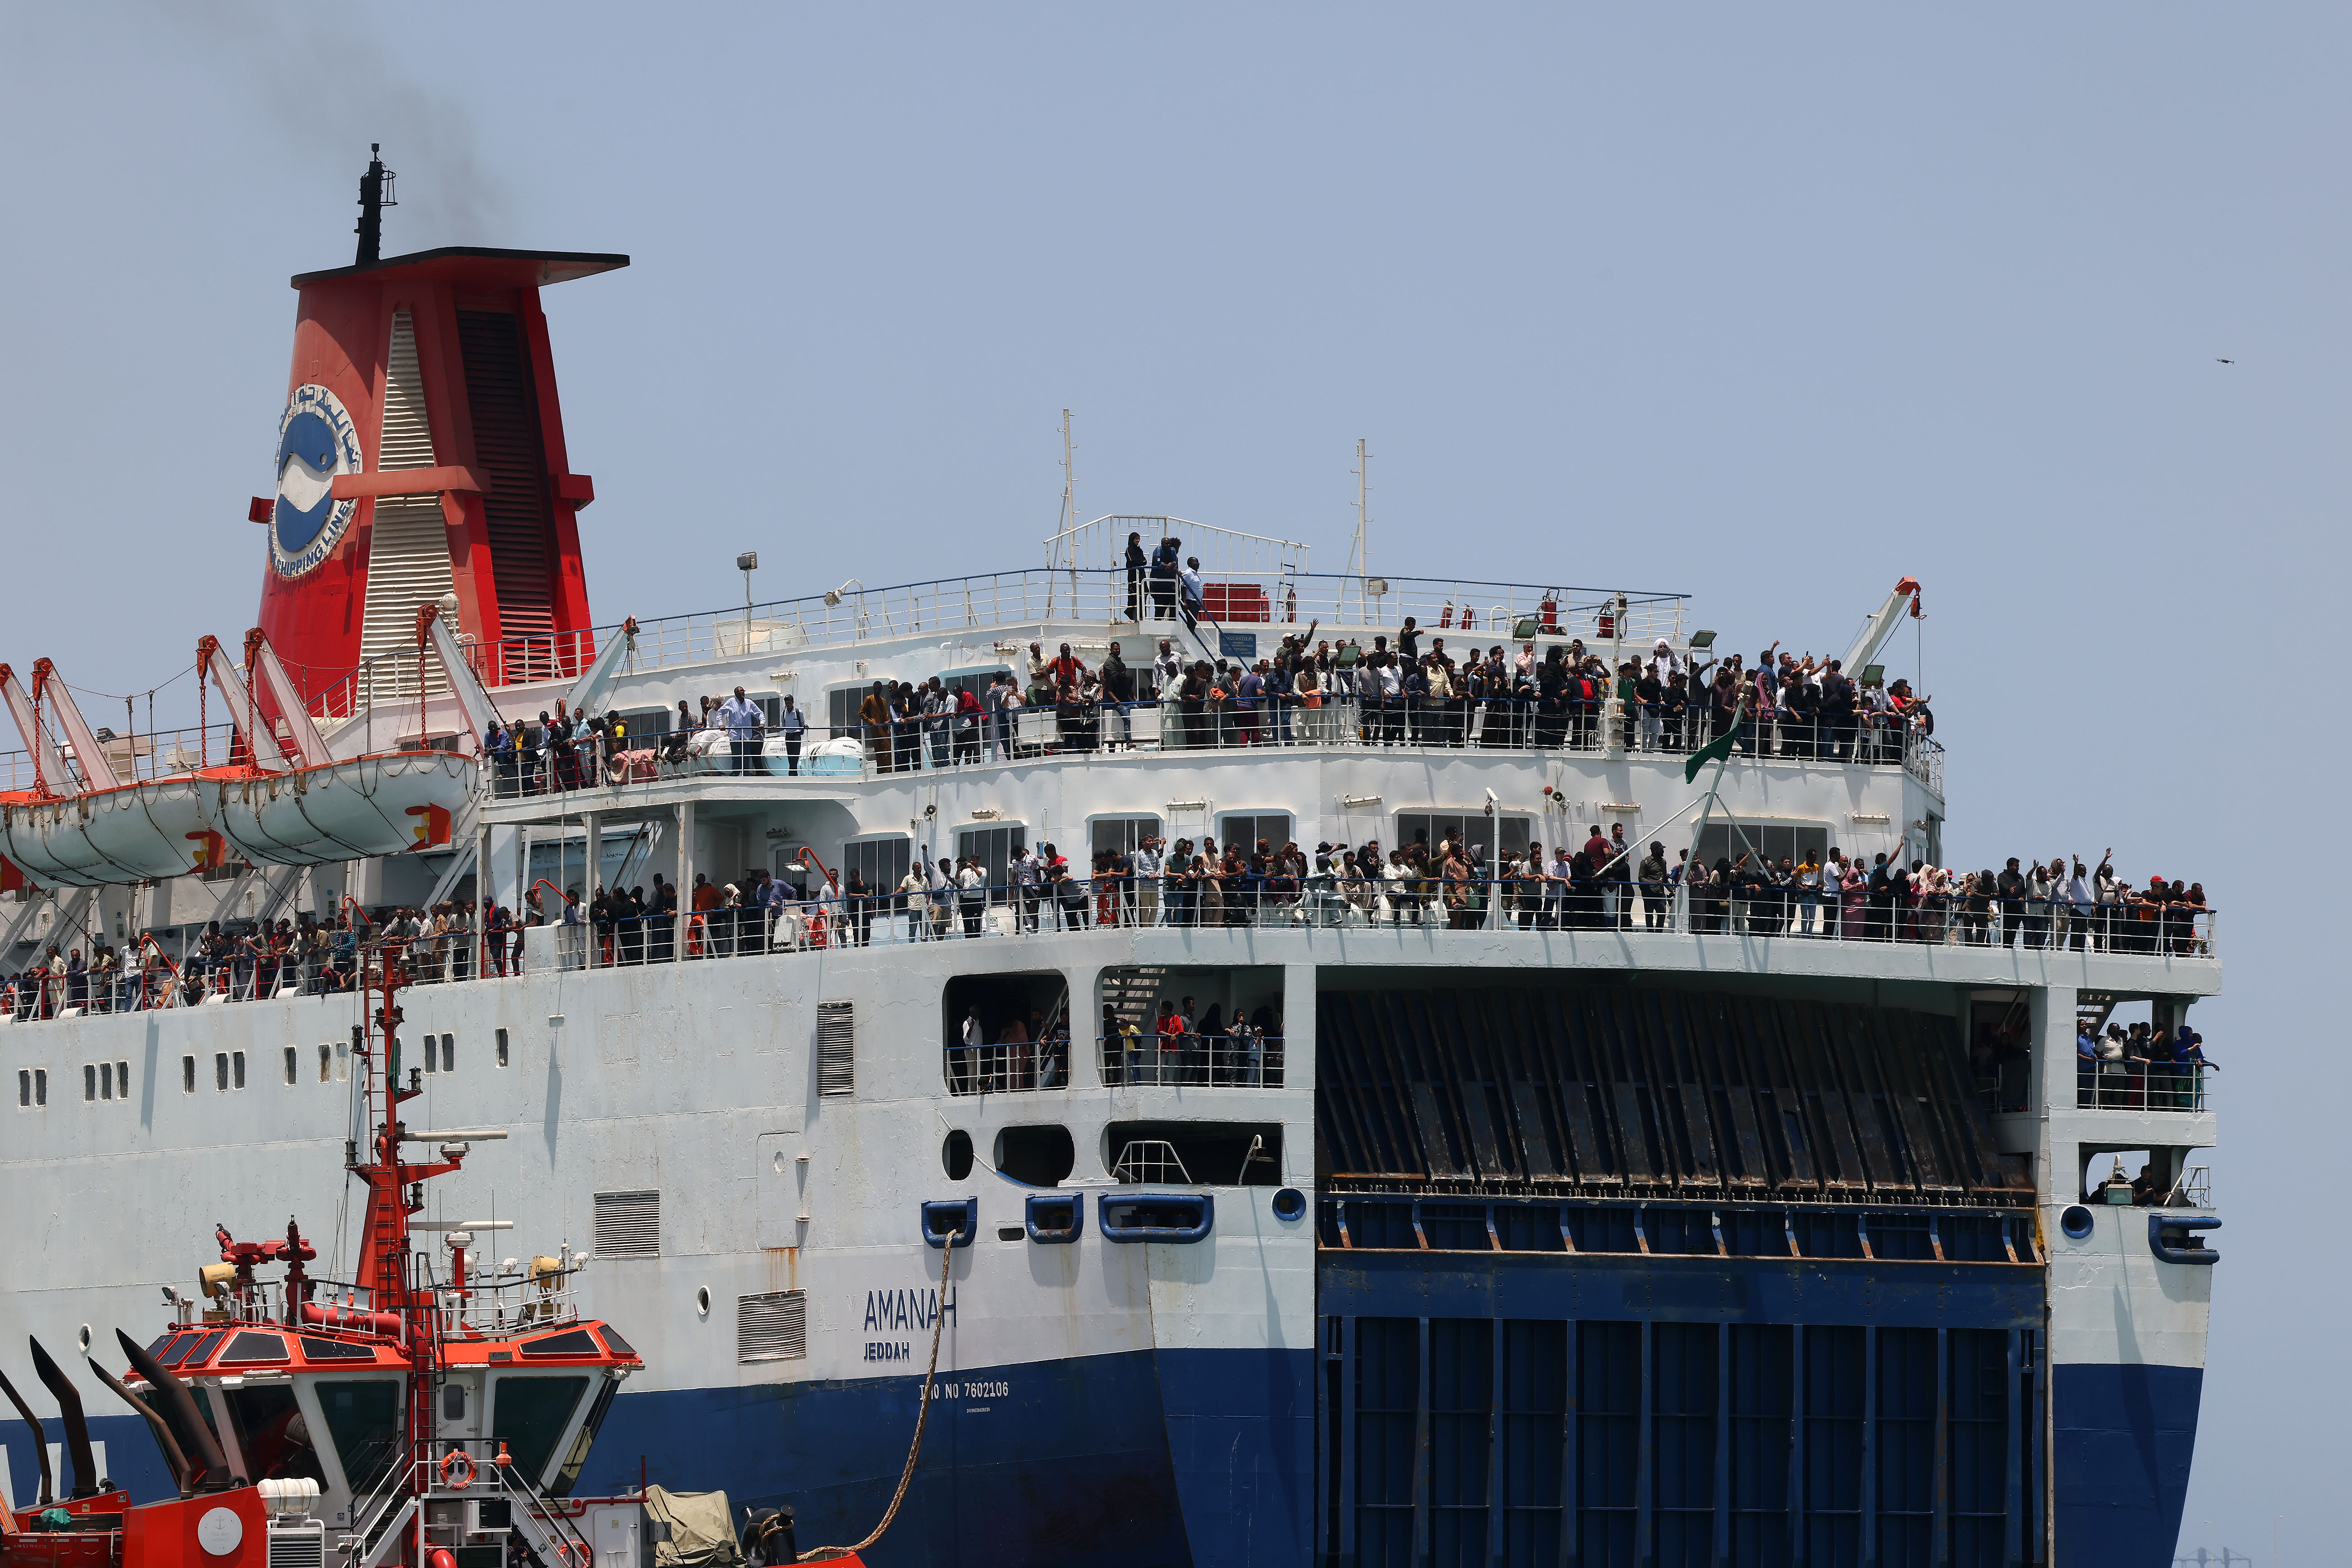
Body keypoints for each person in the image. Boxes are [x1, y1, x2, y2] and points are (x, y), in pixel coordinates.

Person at [1124, 530, 1148, 621]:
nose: (1138, 541)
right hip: (1133, 575)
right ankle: (1132, 614)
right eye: (1136, 539)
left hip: (1141, 575)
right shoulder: (1129, 550)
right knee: (1134, 594)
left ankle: (1142, 616)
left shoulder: (1140, 550)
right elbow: (1132, 561)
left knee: (1144, 593)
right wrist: (1139, 562)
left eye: (1139, 539)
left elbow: (1144, 561)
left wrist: (1139, 562)